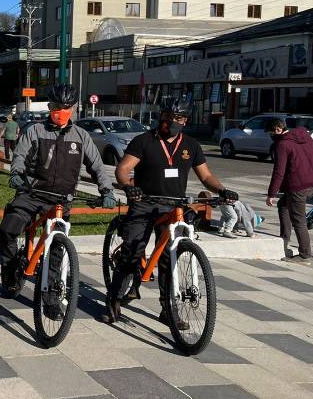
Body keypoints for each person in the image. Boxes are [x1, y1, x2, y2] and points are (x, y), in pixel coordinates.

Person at [102, 97, 238, 326]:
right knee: (132, 252)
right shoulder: (144, 141)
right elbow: (123, 169)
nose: (171, 123)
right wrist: (128, 186)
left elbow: (205, 176)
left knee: (169, 259)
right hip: (144, 202)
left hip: (173, 205)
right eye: (167, 118)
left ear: (185, 120)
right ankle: (113, 300)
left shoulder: (191, 145)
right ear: (161, 118)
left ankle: (168, 309)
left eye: (178, 119)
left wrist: (222, 190)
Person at [0, 84, 117, 316]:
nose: (60, 112)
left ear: (72, 109)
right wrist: (16, 174)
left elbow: (97, 166)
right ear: (50, 107)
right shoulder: (35, 131)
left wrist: (107, 191)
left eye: (65, 108)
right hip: (31, 194)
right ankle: (11, 268)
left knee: (56, 250)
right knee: (8, 229)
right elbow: (20, 156)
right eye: (56, 107)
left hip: (62, 200)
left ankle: (51, 298)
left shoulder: (81, 136)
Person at [265, 118, 313, 264]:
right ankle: (284, 239)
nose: (271, 137)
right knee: (283, 205)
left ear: (278, 129)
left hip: (298, 186)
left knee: (299, 220)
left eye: (271, 133)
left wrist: (271, 194)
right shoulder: (304, 134)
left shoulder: (282, 144)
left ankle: (305, 255)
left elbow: (279, 171)